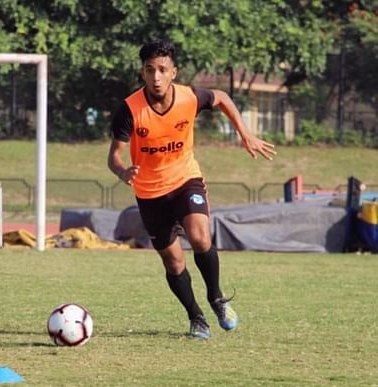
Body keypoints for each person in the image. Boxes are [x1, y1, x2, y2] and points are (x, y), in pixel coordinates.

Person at [107, 39, 276, 339]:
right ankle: (196, 317)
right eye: (149, 70)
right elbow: (114, 156)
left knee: (200, 236)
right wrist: (123, 171)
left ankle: (217, 299)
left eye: (162, 69)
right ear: (142, 73)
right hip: (149, 193)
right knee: (173, 261)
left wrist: (245, 133)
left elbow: (222, 98)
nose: (156, 76)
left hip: (186, 179)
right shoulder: (129, 110)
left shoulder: (189, 97)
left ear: (173, 72)